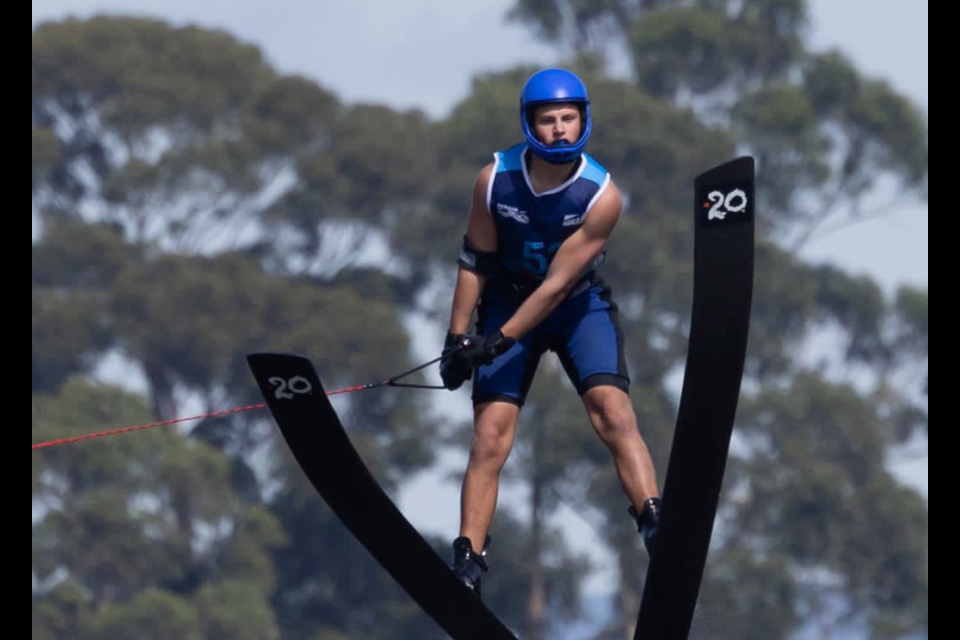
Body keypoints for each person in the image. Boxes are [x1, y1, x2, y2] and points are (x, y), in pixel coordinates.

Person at [439, 68, 662, 599]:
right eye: (549, 120)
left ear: (583, 120)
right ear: (530, 125)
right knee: (489, 435)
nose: (561, 129)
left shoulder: (601, 195)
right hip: (505, 299)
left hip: (575, 306)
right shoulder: (494, 179)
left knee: (612, 410)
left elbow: (558, 287)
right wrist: (456, 339)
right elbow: (475, 260)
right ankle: (469, 558)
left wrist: (499, 340)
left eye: (569, 118)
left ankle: (655, 521)